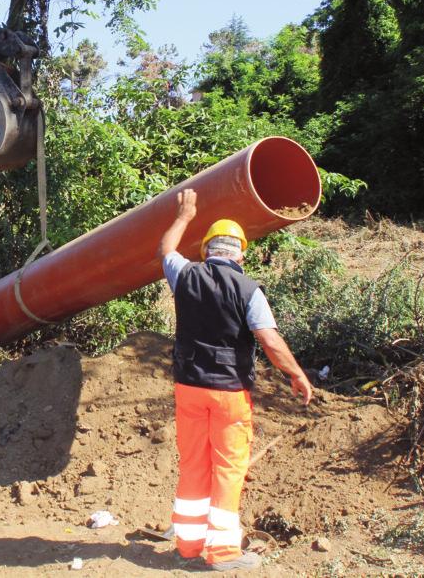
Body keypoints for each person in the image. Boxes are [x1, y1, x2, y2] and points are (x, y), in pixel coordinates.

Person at [159, 188, 312, 571]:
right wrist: (296, 375)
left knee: (194, 463)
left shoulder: (186, 276)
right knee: (228, 467)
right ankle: (224, 553)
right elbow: (269, 339)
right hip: (229, 392)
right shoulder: (249, 290)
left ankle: (189, 548)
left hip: (189, 387)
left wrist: (184, 216)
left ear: (207, 250)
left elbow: (165, 251)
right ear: (240, 253)